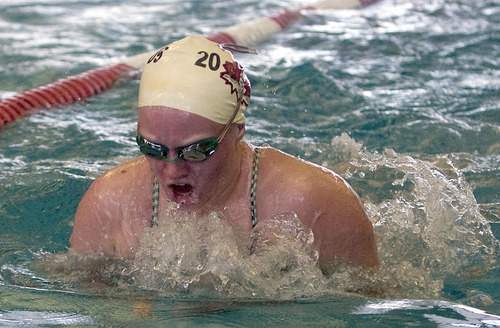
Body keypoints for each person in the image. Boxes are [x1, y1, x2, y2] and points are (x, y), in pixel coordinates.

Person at [70, 35, 379, 272]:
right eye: (153, 148)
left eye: (196, 150)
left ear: (237, 130)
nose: (172, 170)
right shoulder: (108, 204)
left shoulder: (316, 202)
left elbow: (369, 304)